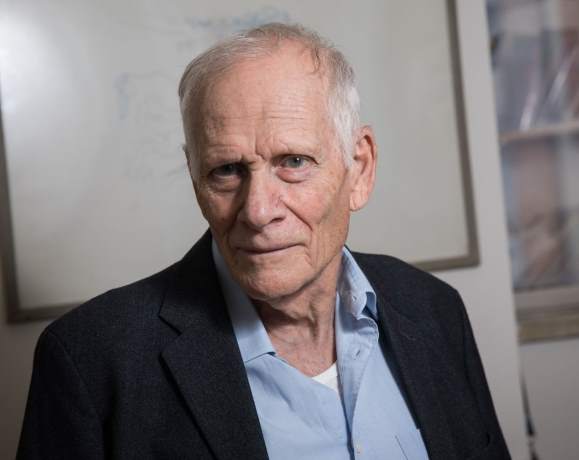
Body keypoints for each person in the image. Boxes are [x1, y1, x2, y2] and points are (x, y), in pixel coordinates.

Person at [17, 23, 510, 460]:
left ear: (359, 169)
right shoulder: (91, 361)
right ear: (195, 178)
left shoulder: (434, 309)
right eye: (227, 170)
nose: (257, 211)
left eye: (293, 162)